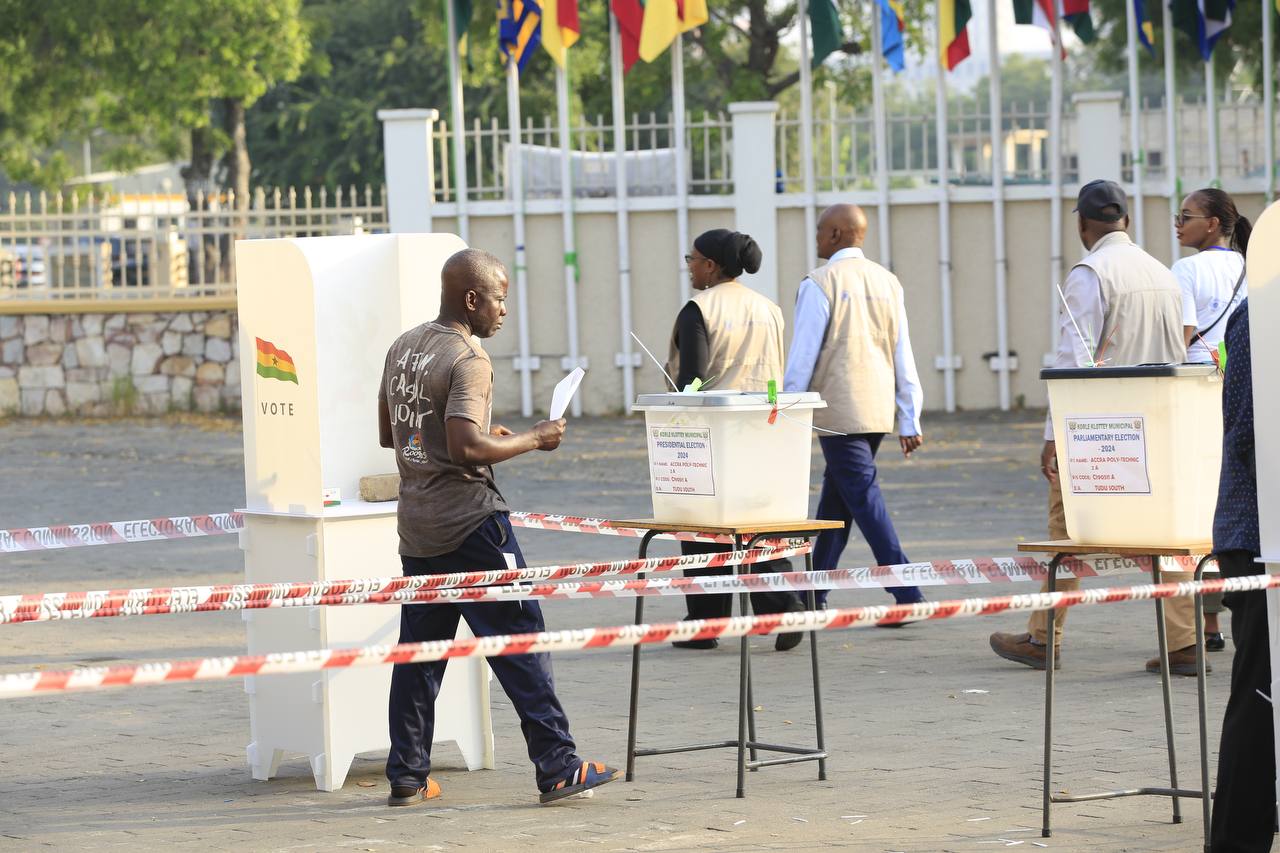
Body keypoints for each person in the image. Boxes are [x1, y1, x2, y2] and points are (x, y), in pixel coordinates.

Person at [377, 248, 618, 807]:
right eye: (499, 297)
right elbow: (464, 447)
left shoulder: (404, 347)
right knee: (520, 641)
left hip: (418, 528)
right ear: (471, 298)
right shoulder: (469, 357)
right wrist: (534, 438)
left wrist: (485, 434)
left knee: (420, 656)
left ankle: (407, 776)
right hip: (472, 525)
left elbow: (394, 435)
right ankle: (558, 766)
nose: (504, 309)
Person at [989, 179, 1189, 672]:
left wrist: (1052, 437)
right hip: (1163, 427)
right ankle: (1184, 643)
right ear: (1128, 221)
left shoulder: (1090, 273)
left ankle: (1043, 638)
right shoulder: (1163, 273)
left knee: (1068, 532)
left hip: (1100, 432)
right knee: (1169, 535)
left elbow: (1072, 364)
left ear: (1081, 224)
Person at [664, 228, 807, 652]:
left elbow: (693, 380)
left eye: (692, 259)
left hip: (712, 434)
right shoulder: (769, 309)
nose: (689, 267)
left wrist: (675, 403)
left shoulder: (699, 309)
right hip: (765, 430)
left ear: (710, 265)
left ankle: (705, 623)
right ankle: (782, 603)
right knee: (758, 522)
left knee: (701, 525)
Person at [782, 203, 926, 612]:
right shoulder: (888, 282)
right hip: (877, 409)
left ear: (835, 234)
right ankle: (814, 593)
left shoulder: (819, 282)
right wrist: (909, 416)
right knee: (838, 501)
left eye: (819, 230)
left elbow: (803, 355)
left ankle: (906, 591)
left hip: (838, 410)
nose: (815, 238)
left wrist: (788, 410)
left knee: (861, 497)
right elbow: (903, 353)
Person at [1172, 187, 1251, 653]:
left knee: (1195, 508)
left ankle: (1204, 625)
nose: (1178, 224)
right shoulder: (1246, 265)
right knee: (1227, 504)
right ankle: (1221, 618)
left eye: (1186, 216)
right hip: (1240, 389)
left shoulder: (1186, 269)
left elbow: (1180, 338)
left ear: (1214, 223)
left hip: (1196, 393)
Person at [1206, 300, 1272, 852]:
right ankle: (1236, 840)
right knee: (1260, 692)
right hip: (1256, 536)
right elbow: (1251, 431)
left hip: (1260, 531)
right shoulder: (1260, 312)